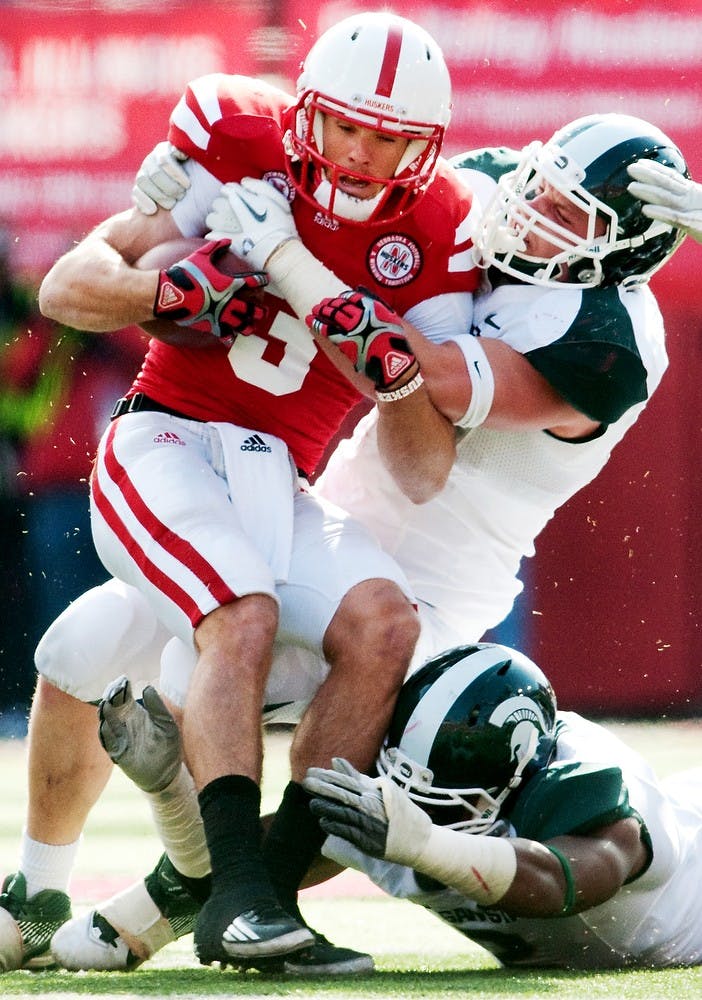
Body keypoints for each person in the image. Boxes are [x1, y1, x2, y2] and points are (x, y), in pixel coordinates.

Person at [8, 110, 690, 977]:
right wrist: (197, 152)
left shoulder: (610, 342)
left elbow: (415, 372)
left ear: (625, 254)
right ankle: (37, 896)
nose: (531, 214)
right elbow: (355, 140)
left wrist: (288, 258)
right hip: (317, 527)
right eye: (541, 189)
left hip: (436, 598)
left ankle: (184, 888)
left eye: (569, 217)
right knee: (75, 649)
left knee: (353, 787)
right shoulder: (499, 193)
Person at [2, 10, 479, 974]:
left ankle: (250, 877)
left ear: (425, 147)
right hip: (166, 439)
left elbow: (425, 469)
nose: (359, 153)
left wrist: (385, 364)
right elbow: (67, 286)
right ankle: (217, 897)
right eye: (344, 125)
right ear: (308, 111)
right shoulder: (236, 137)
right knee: (239, 614)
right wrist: (165, 297)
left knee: (384, 623)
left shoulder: (438, 225)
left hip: (278, 478)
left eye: (387, 136)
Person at [304, 641, 702, 970]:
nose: (417, 810)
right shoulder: (394, 794)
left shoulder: (589, 780)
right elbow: (261, 858)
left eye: (446, 801)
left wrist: (426, 846)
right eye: (409, 790)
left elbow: (561, 882)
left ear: (518, 776)